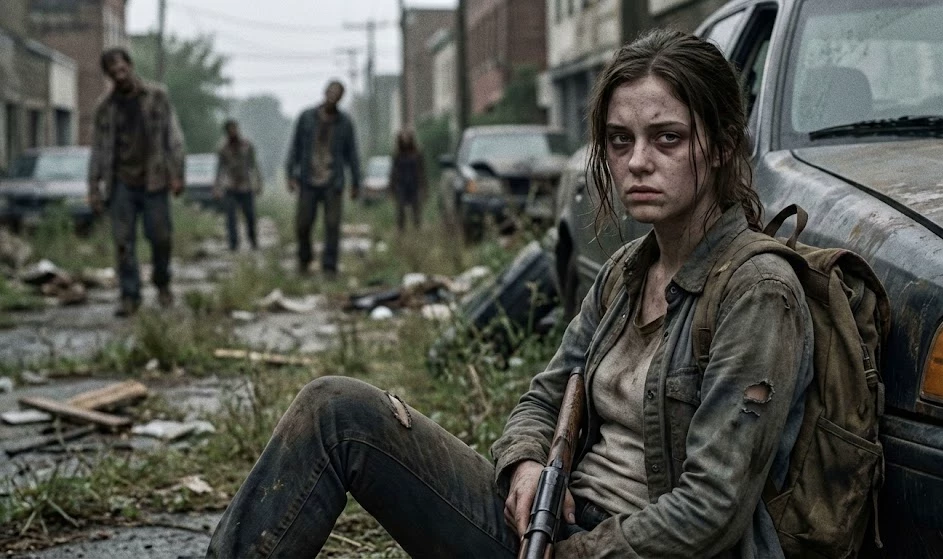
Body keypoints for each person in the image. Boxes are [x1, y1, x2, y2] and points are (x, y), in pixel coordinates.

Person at [208, 29, 813, 559]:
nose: (637, 162)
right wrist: (525, 461)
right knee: (337, 411)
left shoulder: (756, 292)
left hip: (627, 548)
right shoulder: (626, 272)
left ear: (722, 145)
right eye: (619, 140)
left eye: (667, 139)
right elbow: (544, 397)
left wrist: (575, 552)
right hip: (547, 531)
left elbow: (711, 509)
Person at [88, 47, 186, 317]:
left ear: (130, 66)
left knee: (161, 237)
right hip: (121, 181)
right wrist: (93, 187)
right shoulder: (105, 108)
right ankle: (129, 295)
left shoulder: (157, 97)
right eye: (113, 72)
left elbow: (173, 137)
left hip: (155, 178)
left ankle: (162, 283)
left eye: (122, 68)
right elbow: (98, 150)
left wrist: (177, 174)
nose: (119, 75)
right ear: (108, 75)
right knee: (123, 242)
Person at [285, 80, 361, 277]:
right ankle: (305, 260)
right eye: (331, 92)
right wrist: (290, 174)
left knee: (333, 225)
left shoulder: (345, 123)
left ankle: (329, 267)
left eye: (338, 94)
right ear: (325, 92)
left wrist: (356, 182)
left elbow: (352, 154)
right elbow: (295, 147)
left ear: (341, 98)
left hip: (332, 181)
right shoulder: (306, 118)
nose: (333, 96)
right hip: (308, 179)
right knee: (303, 224)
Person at [214, 119, 263, 252]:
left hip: (246, 185)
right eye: (230, 129)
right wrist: (217, 187)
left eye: (234, 129)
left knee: (250, 215)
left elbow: (254, 165)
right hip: (230, 186)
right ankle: (233, 244)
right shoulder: (222, 148)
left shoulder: (247, 145)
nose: (233, 132)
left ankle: (253, 240)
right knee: (230, 217)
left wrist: (258, 182)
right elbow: (219, 169)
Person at [389, 129, 427, 232]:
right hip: (401, 184)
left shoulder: (417, 153)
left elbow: (422, 171)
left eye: (407, 137)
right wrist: (391, 188)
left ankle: (418, 228)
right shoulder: (397, 154)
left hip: (414, 184)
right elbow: (393, 172)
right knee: (400, 207)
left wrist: (424, 188)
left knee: (416, 208)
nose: (405, 139)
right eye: (403, 137)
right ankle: (400, 229)